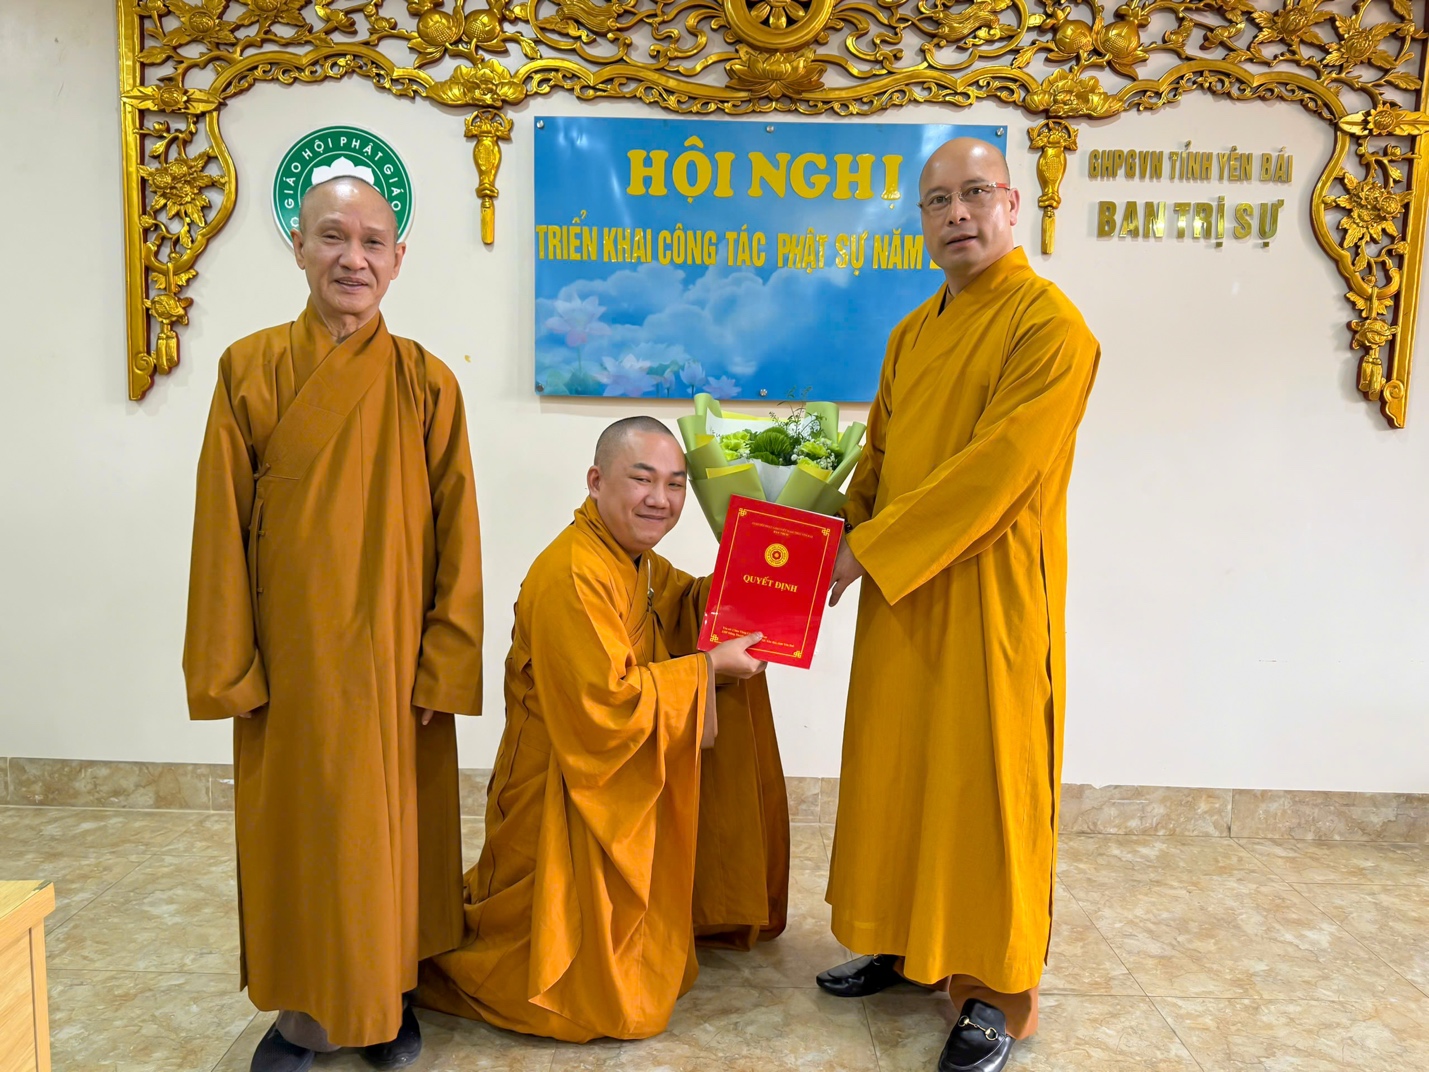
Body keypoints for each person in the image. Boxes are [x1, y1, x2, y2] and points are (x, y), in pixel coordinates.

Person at [183, 175, 484, 1072]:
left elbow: (459, 534)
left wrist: (445, 661)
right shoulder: (248, 369)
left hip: (395, 662)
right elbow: (220, 527)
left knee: (388, 842)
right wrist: (229, 665)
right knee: (305, 840)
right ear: (299, 247)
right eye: (332, 237)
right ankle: (304, 1017)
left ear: (398, 259)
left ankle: (387, 1003)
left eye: (372, 242)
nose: (354, 258)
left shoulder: (427, 381)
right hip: (296, 662)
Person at [818, 138, 1100, 1072]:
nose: (957, 215)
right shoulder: (911, 332)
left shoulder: (1049, 327)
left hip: (987, 595)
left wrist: (865, 552)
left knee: (984, 791)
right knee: (898, 769)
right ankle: (906, 945)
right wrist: (816, 545)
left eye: (975, 193)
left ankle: (993, 992)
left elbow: (996, 472)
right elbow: (879, 459)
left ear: (1012, 204)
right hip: (903, 595)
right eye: (937, 202)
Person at [419, 417, 788, 1041]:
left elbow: (681, 608)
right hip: (560, 782)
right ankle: (430, 967)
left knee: (634, 966)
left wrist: (762, 577)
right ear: (596, 481)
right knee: (587, 1002)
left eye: (675, 484)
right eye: (642, 479)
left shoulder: (636, 562)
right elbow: (606, 705)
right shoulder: (572, 571)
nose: (660, 499)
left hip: (598, 779)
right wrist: (707, 670)